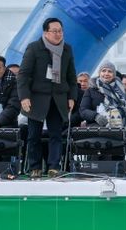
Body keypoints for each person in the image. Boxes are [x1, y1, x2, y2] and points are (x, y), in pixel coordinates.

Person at [17, 17, 78, 179]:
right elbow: (23, 75)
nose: (58, 34)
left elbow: (71, 76)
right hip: (37, 98)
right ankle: (35, 167)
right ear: (45, 33)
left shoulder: (67, 49)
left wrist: (72, 96)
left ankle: (54, 167)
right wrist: (24, 97)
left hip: (58, 97)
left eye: (60, 31)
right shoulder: (34, 48)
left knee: (56, 134)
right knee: (34, 135)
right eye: (54, 31)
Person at [80, 61, 126, 128]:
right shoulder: (91, 90)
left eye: (110, 71)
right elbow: (83, 110)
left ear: (114, 75)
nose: (106, 73)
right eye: (103, 71)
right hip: (97, 127)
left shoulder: (122, 90)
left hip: (121, 126)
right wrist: (96, 116)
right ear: (99, 73)